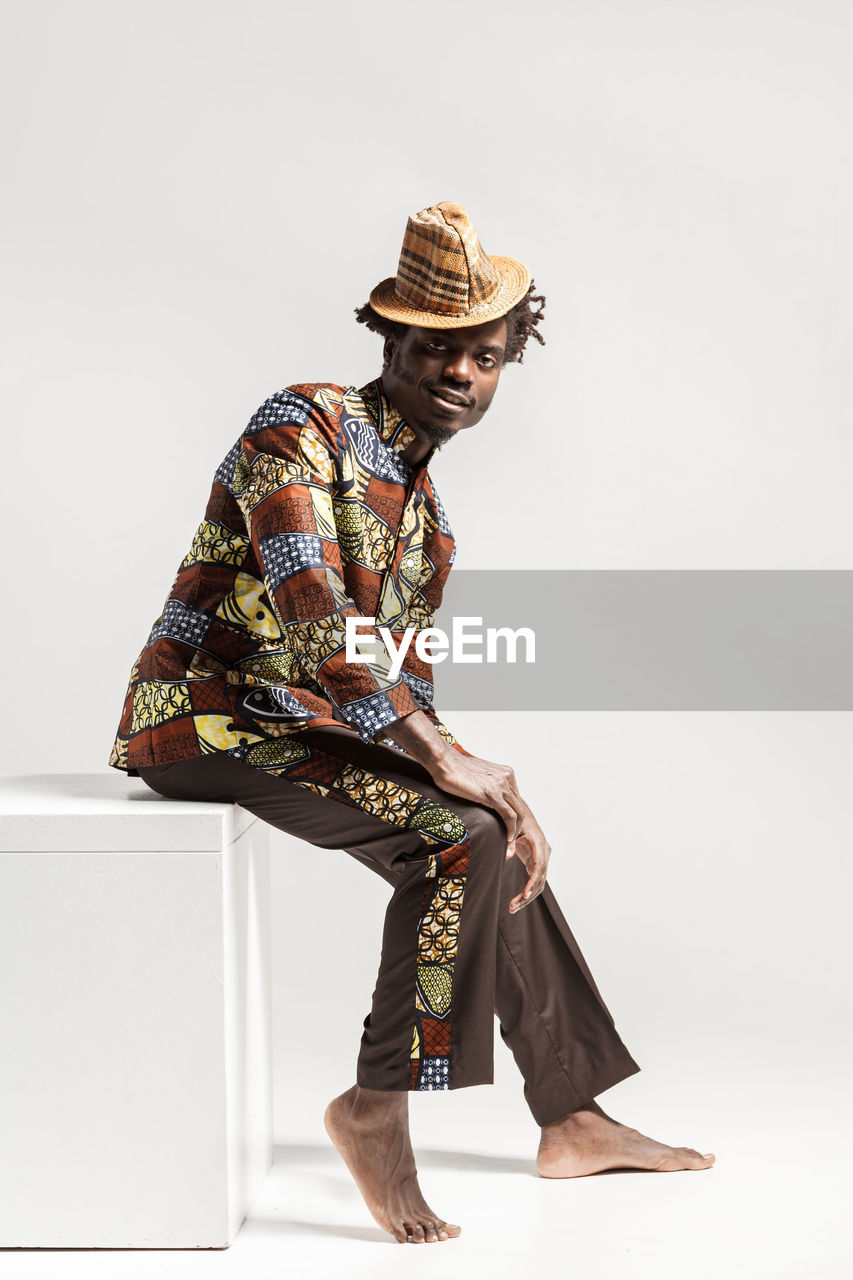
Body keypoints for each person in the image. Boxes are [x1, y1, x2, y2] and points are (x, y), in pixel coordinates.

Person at [108, 200, 715, 1244]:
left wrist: (476, 767)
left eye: (484, 356)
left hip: (300, 728)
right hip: (200, 720)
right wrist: (451, 771)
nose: (460, 375)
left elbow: (398, 681)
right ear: (389, 337)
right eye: (437, 349)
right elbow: (314, 623)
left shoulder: (428, 526)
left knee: (497, 833)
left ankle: (569, 1115)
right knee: (458, 832)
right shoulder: (298, 422)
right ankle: (374, 1106)